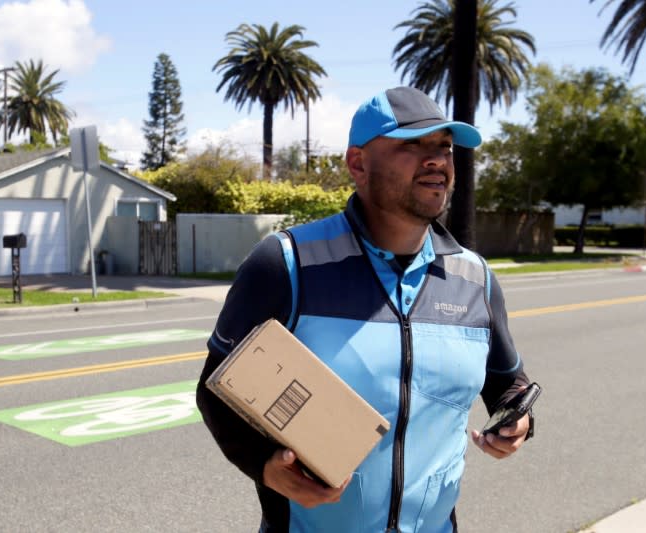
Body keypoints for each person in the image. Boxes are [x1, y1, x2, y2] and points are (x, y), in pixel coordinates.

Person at [196, 86, 534, 532]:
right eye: (413, 146)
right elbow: (216, 389)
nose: (437, 160)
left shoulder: (476, 279)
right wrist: (263, 464)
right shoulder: (288, 264)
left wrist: (517, 420)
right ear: (358, 164)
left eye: (444, 147)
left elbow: (508, 383)